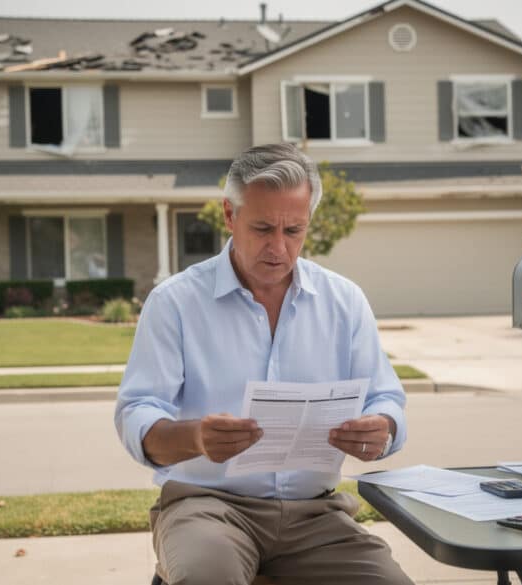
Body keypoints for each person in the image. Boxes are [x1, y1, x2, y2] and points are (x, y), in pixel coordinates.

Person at [115, 143, 412, 585]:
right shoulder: (175, 302)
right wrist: (195, 436)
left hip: (317, 516)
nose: (279, 247)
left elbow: (386, 398)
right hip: (207, 507)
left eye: (294, 230)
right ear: (229, 216)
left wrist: (382, 428)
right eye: (262, 228)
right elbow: (137, 414)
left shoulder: (343, 301)